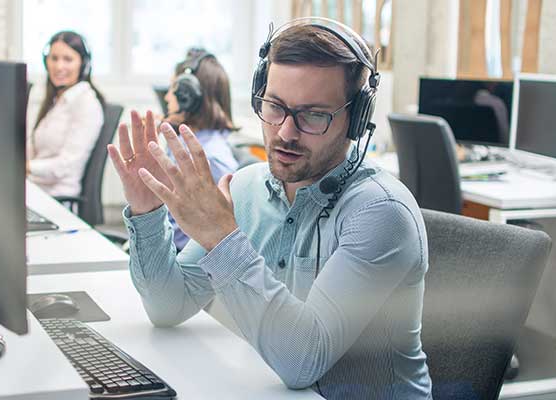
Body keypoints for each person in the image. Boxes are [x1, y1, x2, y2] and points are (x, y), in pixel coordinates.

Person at [108, 18, 432, 399]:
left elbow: (302, 361)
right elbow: (168, 306)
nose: (285, 133)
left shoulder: (380, 213)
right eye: (275, 107)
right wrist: (147, 214)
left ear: (356, 120)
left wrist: (222, 238)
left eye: (313, 115)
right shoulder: (246, 188)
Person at [163, 48, 239, 251]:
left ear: (189, 96)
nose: (167, 98)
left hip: (185, 262)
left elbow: (225, 240)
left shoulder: (210, 158)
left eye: (173, 89)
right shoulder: (185, 143)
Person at [27, 31, 104, 197]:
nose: (59, 66)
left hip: (57, 198)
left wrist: (27, 167)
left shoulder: (87, 104)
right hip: (34, 190)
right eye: (54, 58)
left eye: (68, 59)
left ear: (83, 64)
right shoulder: (53, 100)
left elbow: (66, 165)